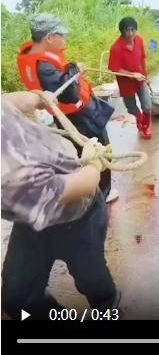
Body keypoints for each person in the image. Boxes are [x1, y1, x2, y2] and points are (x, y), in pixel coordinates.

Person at [1, 91, 121, 320]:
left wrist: (34, 98)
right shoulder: (10, 177)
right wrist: (94, 165)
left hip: (78, 214)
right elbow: (81, 183)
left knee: (90, 276)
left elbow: (82, 187)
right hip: (30, 218)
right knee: (17, 297)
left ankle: (108, 305)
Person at [17, 13, 119, 203]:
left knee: (82, 152)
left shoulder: (33, 54)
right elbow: (70, 94)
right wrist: (74, 69)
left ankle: (92, 190)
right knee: (99, 152)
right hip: (79, 117)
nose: (65, 38)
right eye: (61, 35)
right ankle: (101, 194)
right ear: (49, 37)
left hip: (71, 114)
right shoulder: (44, 67)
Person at [108, 17, 152, 139]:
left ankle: (146, 126)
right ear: (122, 31)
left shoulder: (139, 40)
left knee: (147, 105)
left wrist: (145, 76)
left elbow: (143, 58)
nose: (130, 34)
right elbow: (115, 69)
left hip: (141, 79)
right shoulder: (116, 48)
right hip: (126, 83)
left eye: (133, 30)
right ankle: (139, 119)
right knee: (131, 107)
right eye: (127, 30)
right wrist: (132, 75)